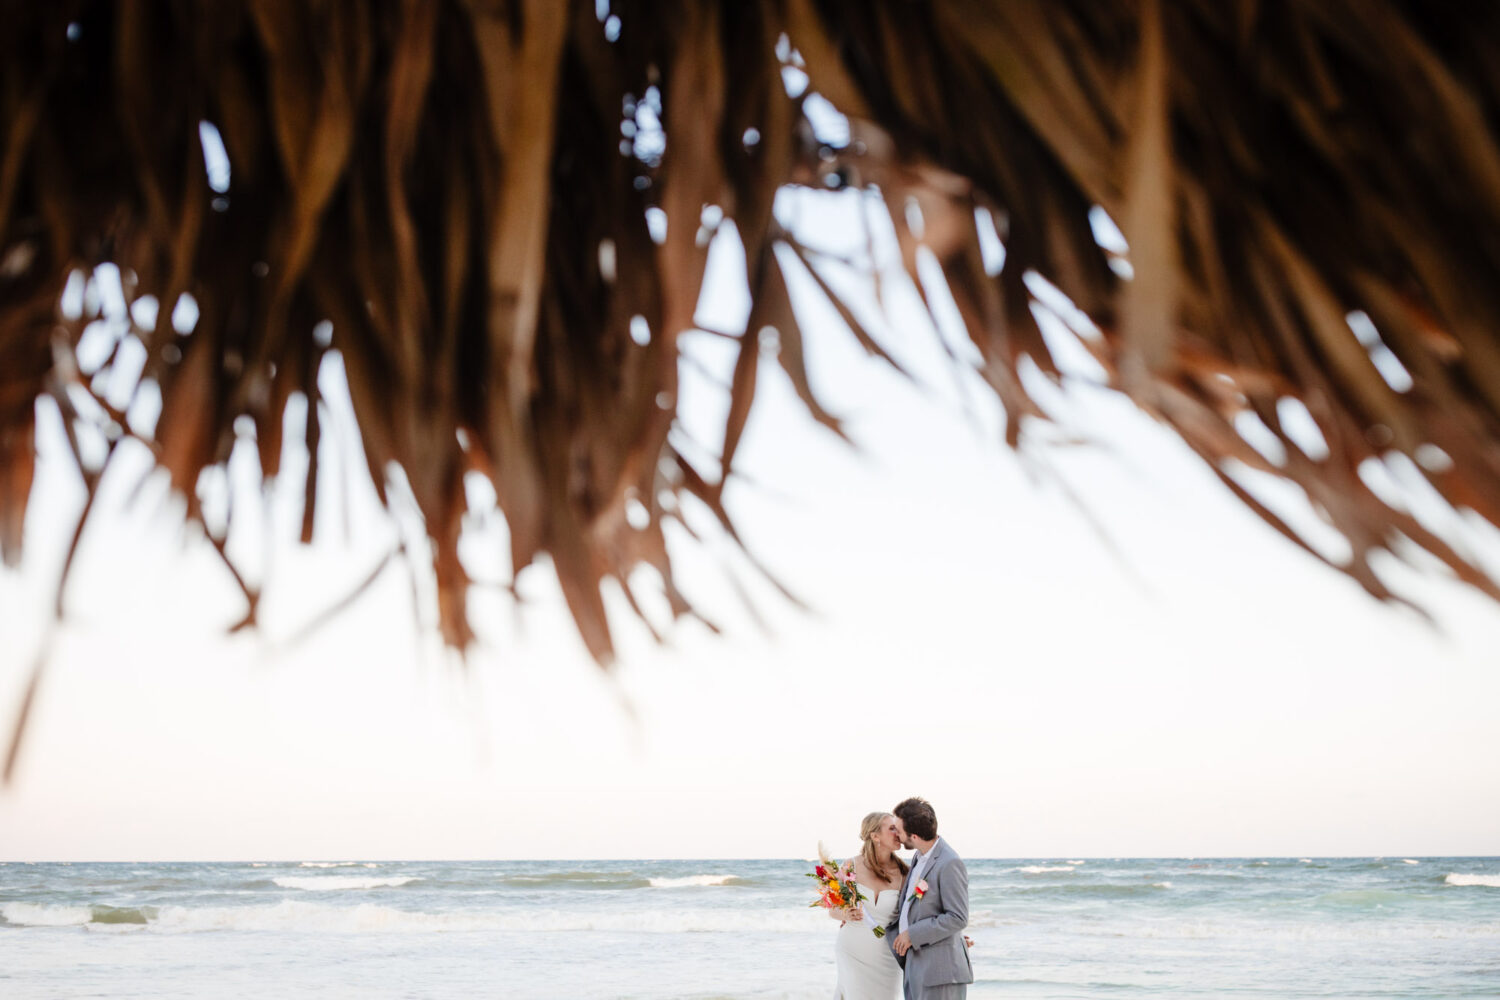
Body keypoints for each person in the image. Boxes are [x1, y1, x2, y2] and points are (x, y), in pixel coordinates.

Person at [886, 797, 973, 1000]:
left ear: (914, 836)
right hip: (917, 965)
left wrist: (912, 934)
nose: (896, 834)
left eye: (898, 830)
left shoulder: (949, 862)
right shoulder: (919, 856)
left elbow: (957, 917)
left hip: (940, 973)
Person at [829, 811, 908, 999]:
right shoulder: (850, 866)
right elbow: (833, 909)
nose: (898, 832)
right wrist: (846, 914)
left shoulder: (905, 872)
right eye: (892, 828)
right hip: (852, 951)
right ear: (875, 836)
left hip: (887, 958)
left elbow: (918, 913)